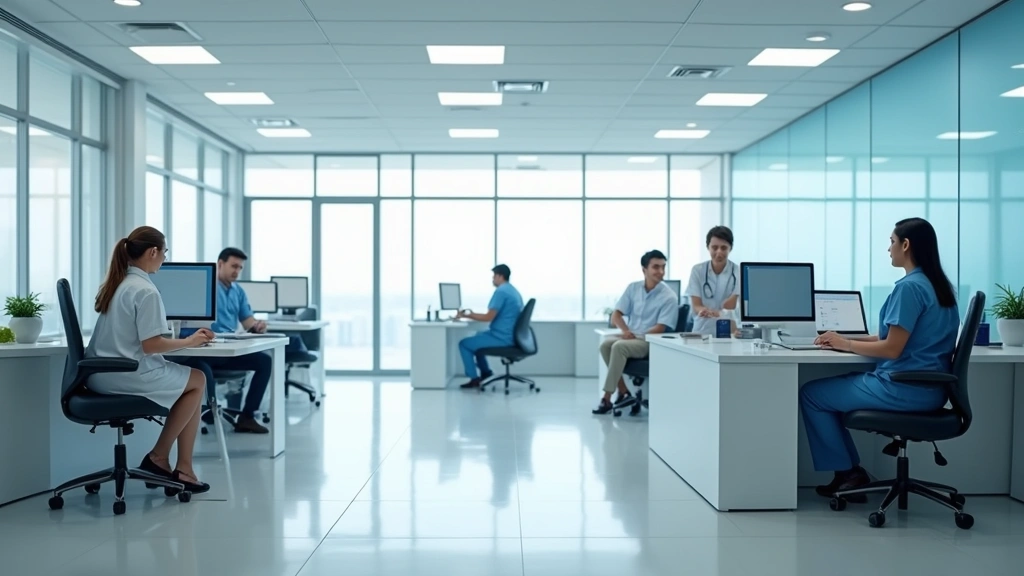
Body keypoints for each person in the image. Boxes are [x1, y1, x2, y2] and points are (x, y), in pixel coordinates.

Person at [800, 217, 959, 501]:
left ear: (906, 245)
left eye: (892, 242)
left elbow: (892, 349)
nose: (889, 249)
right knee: (828, 392)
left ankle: (848, 473)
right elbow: (894, 338)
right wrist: (843, 341)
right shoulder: (939, 287)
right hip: (931, 392)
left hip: (900, 388)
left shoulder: (909, 288)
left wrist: (847, 344)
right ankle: (849, 473)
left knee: (812, 394)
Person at [86, 226, 213, 494]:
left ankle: (175, 466)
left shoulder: (119, 283)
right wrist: (190, 341)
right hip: (126, 374)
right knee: (198, 379)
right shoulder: (145, 290)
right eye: (164, 253)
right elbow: (151, 345)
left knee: (191, 381)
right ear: (153, 252)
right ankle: (162, 459)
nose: (164, 259)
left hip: (98, 376)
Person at [173, 248, 271, 434]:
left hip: (228, 349)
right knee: (202, 369)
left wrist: (257, 326)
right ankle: (207, 411)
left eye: (240, 268)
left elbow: (248, 321)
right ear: (220, 264)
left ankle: (247, 417)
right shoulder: (205, 287)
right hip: (206, 350)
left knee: (265, 361)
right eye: (233, 266)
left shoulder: (238, 291)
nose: (237, 271)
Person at [593, 250, 678, 415]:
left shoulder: (669, 297)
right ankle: (624, 391)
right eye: (655, 267)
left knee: (618, 347)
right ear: (644, 269)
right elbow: (616, 315)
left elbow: (661, 328)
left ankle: (607, 398)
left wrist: (634, 334)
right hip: (631, 338)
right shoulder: (633, 288)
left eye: (663, 267)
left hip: (650, 341)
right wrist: (626, 331)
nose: (660, 272)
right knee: (605, 346)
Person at [456, 264, 524, 389]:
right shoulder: (512, 290)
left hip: (502, 337)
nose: (492, 279)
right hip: (509, 335)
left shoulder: (501, 292)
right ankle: (486, 372)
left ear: (500, 276)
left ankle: (474, 379)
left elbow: (488, 317)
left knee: (464, 344)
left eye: (494, 276)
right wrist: (471, 315)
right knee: (477, 337)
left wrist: (468, 315)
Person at [686, 226, 740, 336]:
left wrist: (719, 313)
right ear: (708, 247)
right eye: (714, 247)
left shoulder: (738, 272)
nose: (719, 252)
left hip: (729, 331)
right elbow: (696, 305)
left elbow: (733, 306)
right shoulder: (697, 271)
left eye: (723, 248)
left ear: (731, 248)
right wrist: (704, 311)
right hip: (702, 330)